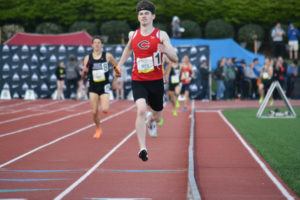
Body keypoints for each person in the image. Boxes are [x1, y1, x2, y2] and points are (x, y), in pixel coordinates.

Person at [115, 0, 178, 162]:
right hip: (139, 80)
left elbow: (175, 58)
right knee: (141, 110)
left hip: (156, 81)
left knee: (157, 115)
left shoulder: (161, 35)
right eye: (141, 14)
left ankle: (152, 121)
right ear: (138, 17)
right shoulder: (133, 34)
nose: (143, 16)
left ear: (153, 16)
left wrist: (166, 50)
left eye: (146, 13)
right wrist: (119, 65)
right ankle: (142, 148)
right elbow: (129, 48)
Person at [81, 35, 119, 139]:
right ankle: (98, 128)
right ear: (92, 45)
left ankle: (105, 109)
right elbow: (84, 74)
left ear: (102, 45)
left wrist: (115, 80)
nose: (97, 44)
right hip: (93, 86)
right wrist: (83, 73)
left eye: (99, 43)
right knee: (94, 112)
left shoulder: (107, 56)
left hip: (104, 85)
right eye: (95, 43)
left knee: (105, 110)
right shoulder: (88, 58)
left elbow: (116, 65)